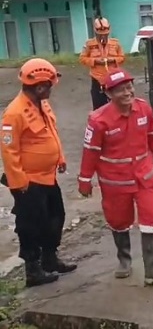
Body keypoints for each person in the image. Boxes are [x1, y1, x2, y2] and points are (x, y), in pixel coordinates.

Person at [78, 68, 153, 286]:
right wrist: (84, 180)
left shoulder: (143, 109)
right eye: (120, 90)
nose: (127, 92)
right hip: (115, 183)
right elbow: (90, 152)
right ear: (109, 94)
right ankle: (124, 259)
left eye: (129, 87)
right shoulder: (98, 120)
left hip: (145, 178)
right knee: (119, 221)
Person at [0, 58, 76, 287]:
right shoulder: (14, 113)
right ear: (41, 87)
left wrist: (60, 157)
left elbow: (51, 131)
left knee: (55, 217)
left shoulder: (42, 105)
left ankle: (50, 259)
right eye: (49, 86)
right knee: (31, 225)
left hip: (48, 176)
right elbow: (8, 150)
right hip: (28, 181)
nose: (51, 90)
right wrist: (18, 182)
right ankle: (33, 270)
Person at [79, 17, 125, 110]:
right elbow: (82, 59)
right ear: (95, 32)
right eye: (100, 35)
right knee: (99, 108)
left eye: (105, 34)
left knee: (117, 106)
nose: (103, 36)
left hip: (113, 78)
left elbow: (122, 57)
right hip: (97, 79)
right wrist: (95, 61)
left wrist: (113, 60)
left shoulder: (115, 43)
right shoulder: (89, 44)